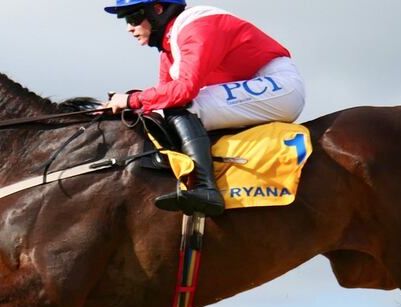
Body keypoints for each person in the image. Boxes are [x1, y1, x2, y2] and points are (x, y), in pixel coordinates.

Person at [103, 0, 306, 216]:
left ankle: (205, 188)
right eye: (125, 20)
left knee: (185, 106)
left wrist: (131, 100)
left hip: (281, 86)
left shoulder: (196, 26)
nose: (129, 28)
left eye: (133, 18)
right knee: (165, 114)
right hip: (257, 85)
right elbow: (161, 101)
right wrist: (119, 107)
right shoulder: (168, 49)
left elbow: (184, 92)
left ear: (158, 10)